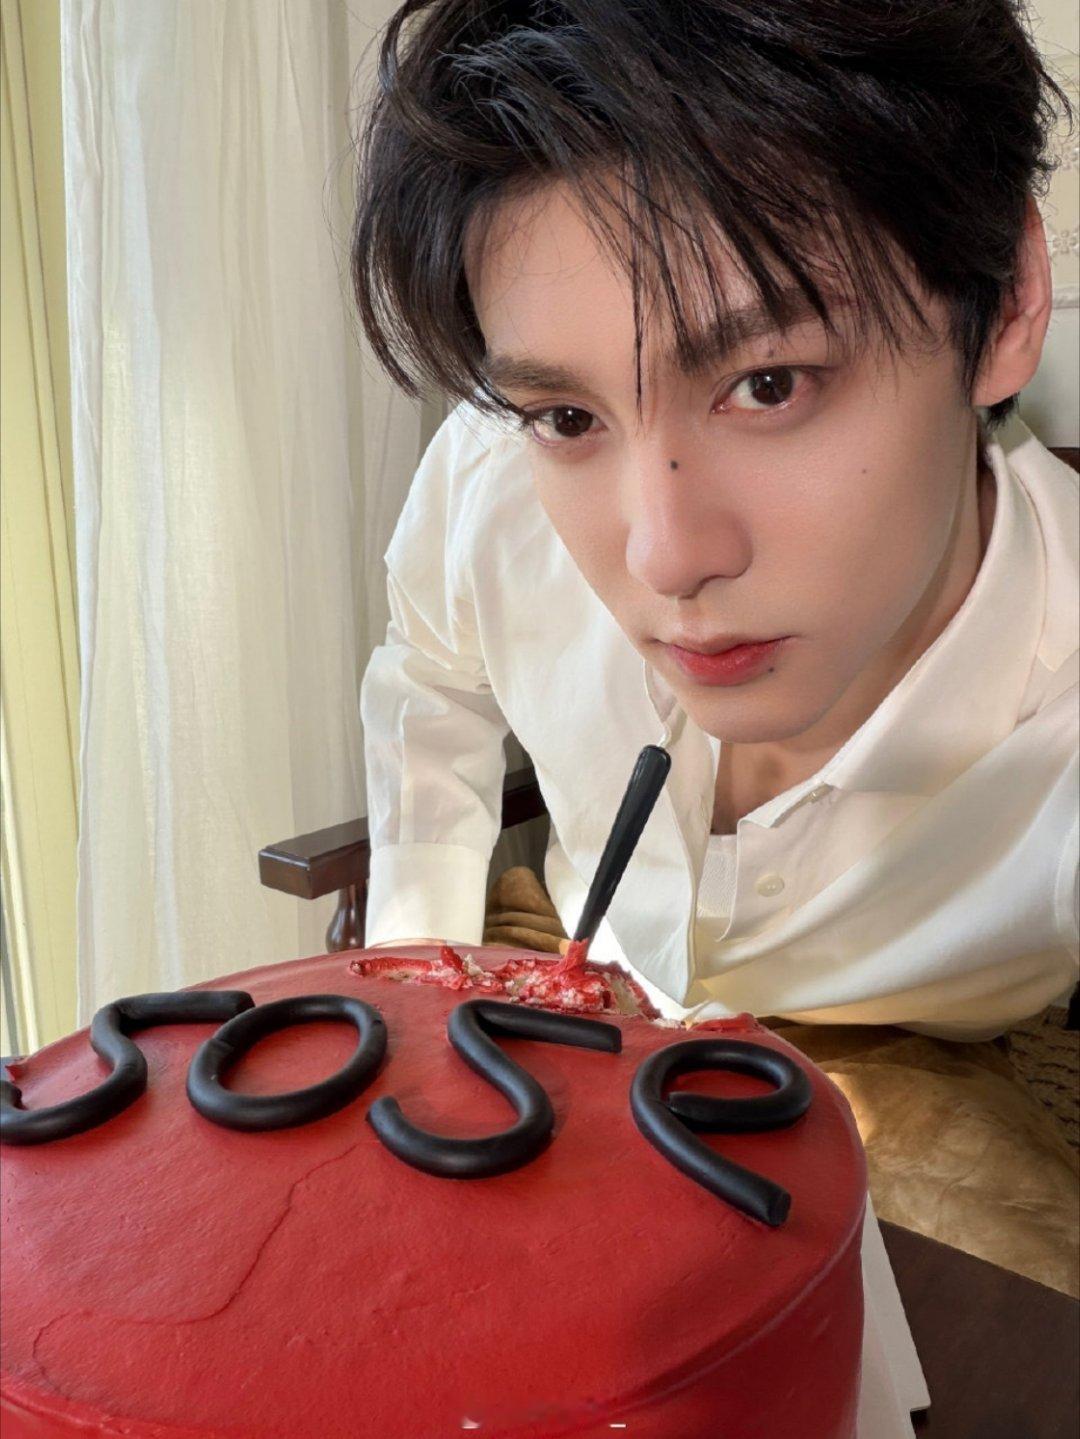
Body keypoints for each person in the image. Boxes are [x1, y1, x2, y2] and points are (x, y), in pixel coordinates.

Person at [350, 0, 1078, 1042]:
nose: (665, 558)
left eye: (769, 384)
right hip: (563, 987)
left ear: (1004, 302)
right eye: (569, 418)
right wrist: (420, 954)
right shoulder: (492, 465)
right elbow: (429, 671)